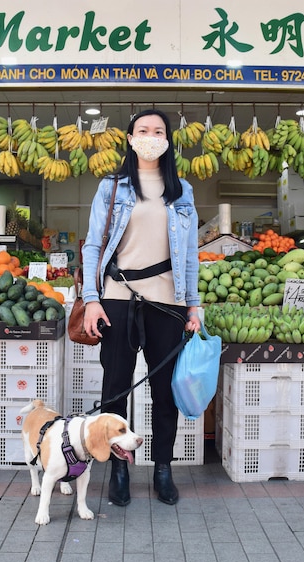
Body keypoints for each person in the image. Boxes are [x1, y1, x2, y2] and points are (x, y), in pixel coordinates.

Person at [81, 109, 202, 507]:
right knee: (115, 388)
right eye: (143, 130)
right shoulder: (112, 187)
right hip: (117, 297)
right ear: (130, 138)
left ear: (168, 140)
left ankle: (163, 468)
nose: (151, 136)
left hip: (167, 302)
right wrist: (92, 300)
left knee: (163, 391)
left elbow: (188, 255)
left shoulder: (181, 190)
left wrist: (193, 305)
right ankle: (119, 467)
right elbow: (94, 246)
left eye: (159, 131)